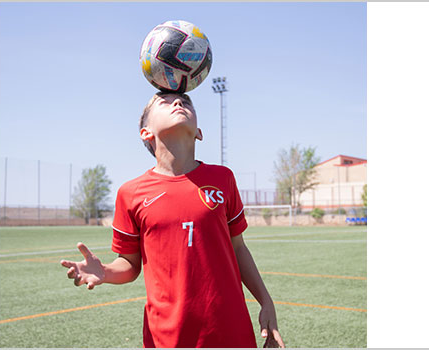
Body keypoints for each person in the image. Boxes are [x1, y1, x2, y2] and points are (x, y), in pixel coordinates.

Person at [60, 91, 285, 348]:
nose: (178, 102)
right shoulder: (131, 193)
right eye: (164, 102)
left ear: (198, 132)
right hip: (167, 336)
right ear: (146, 133)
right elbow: (130, 264)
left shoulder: (223, 179)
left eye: (186, 102)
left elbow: (238, 248)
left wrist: (266, 301)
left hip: (230, 331)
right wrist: (106, 272)